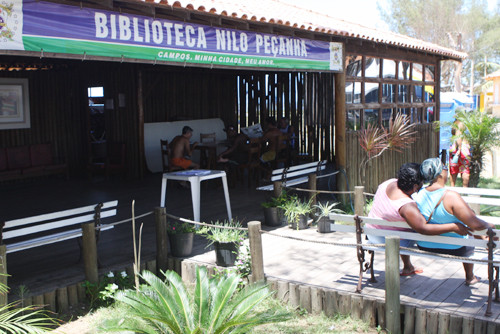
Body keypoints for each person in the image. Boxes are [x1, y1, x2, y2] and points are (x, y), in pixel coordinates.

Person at [367, 163, 470, 276]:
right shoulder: (407, 206)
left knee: (404, 230)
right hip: (388, 240)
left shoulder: (387, 183)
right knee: (412, 232)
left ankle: (408, 266)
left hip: (372, 232)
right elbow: (423, 228)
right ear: (415, 186)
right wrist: (453, 227)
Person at [415, 157, 492, 285]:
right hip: (455, 247)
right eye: (445, 168)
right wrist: (491, 225)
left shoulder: (419, 194)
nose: (447, 170)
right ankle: (470, 276)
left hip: (424, 245)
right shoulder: (450, 196)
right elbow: (476, 224)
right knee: (469, 233)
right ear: (440, 173)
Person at [449, 118, 471, 187]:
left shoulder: (456, 124)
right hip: (462, 151)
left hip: (455, 150)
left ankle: (452, 189)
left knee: (454, 171)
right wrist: (459, 148)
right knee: (465, 170)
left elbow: (457, 136)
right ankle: (465, 189)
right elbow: (459, 136)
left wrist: (458, 149)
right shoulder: (461, 124)